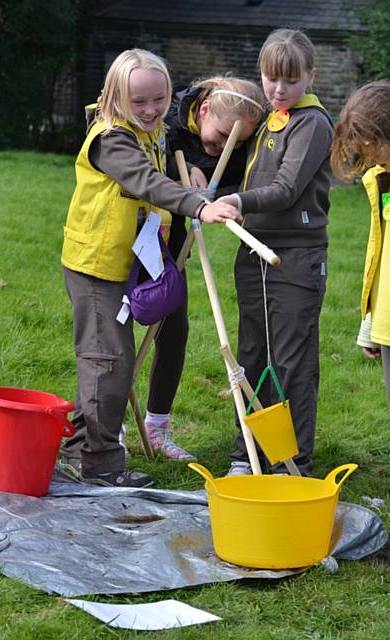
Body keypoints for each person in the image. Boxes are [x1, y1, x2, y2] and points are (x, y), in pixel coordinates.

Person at [59, 49, 241, 487]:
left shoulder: (156, 129)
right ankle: (98, 465)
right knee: (108, 359)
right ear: (116, 96)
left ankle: (75, 448)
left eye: (158, 99)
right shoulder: (111, 138)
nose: (151, 110)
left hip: (130, 260)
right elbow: (145, 181)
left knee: (110, 360)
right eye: (138, 102)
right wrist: (199, 205)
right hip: (95, 265)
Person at [217, 29, 333, 477]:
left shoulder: (313, 123)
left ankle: (290, 458)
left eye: (289, 80)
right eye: (270, 79)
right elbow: (249, 185)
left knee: (290, 360)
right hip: (253, 253)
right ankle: (248, 451)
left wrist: (238, 202)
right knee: (250, 357)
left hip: (295, 259)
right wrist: (211, 197)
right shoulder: (268, 118)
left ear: (310, 77)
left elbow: (284, 189)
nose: (278, 89)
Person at [141, 76, 265, 461]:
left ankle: (156, 427)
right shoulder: (166, 115)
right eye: (224, 135)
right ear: (204, 109)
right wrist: (189, 167)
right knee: (112, 335)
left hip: (173, 245)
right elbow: (145, 162)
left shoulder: (235, 141)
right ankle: (102, 425)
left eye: (239, 141)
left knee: (174, 329)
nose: (225, 146)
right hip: (133, 233)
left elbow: (233, 177)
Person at [331, 80, 390, 568]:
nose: (374, 162)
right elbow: (379, 249)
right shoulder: (384, 179)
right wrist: (370, 316)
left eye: (377, 150)